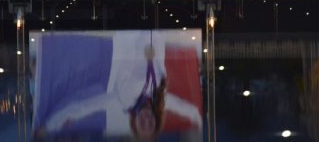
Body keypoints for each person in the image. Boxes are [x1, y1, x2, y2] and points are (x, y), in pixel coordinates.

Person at [35, 31, 202, 140]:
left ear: (134, 122)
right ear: (156, 121)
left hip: (128, 36)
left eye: (142, 124)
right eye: (151, 124)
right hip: (153, 33)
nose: (147, 120)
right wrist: (199, 120)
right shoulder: (160, 99)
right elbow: (188, 110)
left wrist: (50, 125)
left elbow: (84, 108)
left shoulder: (123, 100)